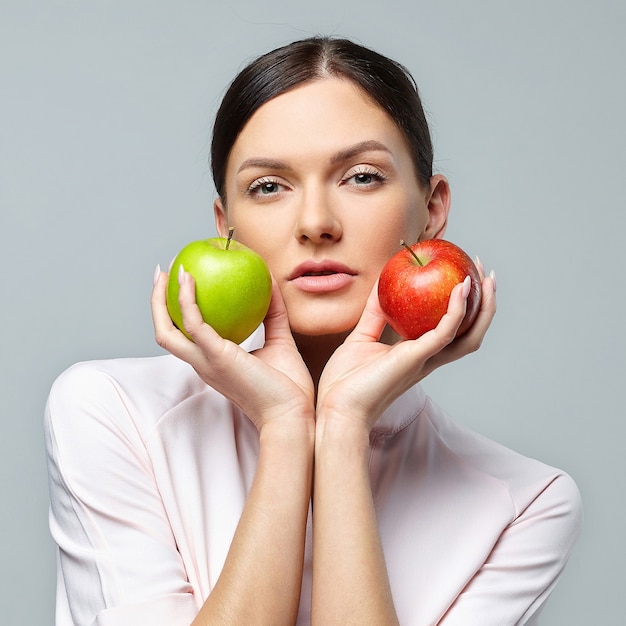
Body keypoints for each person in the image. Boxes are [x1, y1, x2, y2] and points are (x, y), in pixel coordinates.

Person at [45, 36, 582, 625]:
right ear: (226, 225)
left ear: (432, 208)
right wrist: (283, 428)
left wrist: (345, 426)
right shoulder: (114, 414)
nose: (316, 224)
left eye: (361, 177)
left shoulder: (524, 504)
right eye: (268, 186)